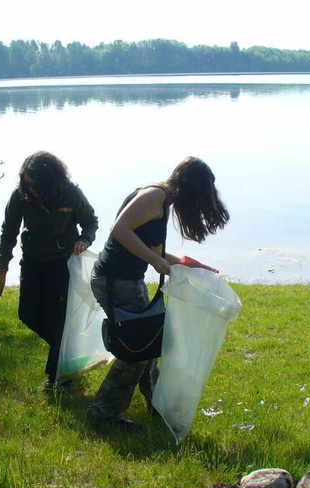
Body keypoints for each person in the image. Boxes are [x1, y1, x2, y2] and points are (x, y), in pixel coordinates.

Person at [88, 156, 229, 427]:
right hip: (114, 280)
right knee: (137, 350)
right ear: (190, 188)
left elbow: (154, 250)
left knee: (149, 342)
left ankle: (158, 404)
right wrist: (154, 261)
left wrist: (190, 265)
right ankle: (104, 411)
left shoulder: (162, 203)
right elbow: (120, 230)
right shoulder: (155, 196)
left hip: (127, 280)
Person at [0, 151, 98, 391]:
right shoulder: (20, 196)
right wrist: (2, 269)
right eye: (26, 182)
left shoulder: (70, 193)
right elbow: (9, 232)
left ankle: (57, 376)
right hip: (32, 261)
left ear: (50, 180)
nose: (30, 188)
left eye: (35, 184)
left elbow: (90, 221)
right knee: (27, 314)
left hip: (62, 264)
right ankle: (69, 352)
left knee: (57, 319)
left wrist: (85, 239)